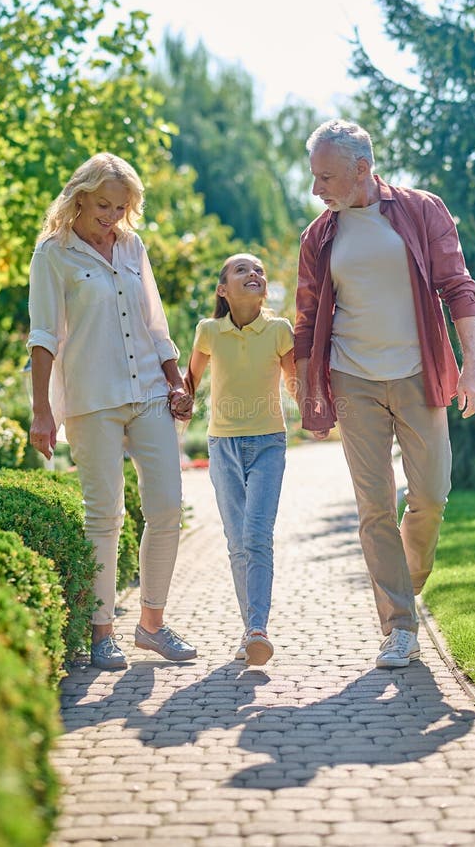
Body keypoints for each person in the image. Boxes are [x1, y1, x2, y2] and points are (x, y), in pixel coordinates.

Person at [294, 120, 475, 669]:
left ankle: (406, 579)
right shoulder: (319, 236)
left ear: (362, 169)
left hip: (418, 373)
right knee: (375, 505)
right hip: (353, 378)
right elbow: (307, 321)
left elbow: (458, 287)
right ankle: (399, 626)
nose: (316, 189)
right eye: (313, 177)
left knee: (431, 496)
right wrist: (310, 391)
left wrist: (472, 369)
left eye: (325, 177)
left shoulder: (421, 210)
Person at [27, 152, 197, 670]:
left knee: (167, 508)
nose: (111, 215)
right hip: (91, 398)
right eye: (103, 204)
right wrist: (41, 411)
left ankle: (151, 624)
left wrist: (176, 383)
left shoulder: (132, 245)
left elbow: (156, 322)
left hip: (148, 390)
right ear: (79, 196)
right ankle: (103, 633)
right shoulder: (52, 255)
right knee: (105, 517)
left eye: (121, 207)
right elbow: (43, 336)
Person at [186, 254, 297, 665]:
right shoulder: (209, 331)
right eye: (242, 270)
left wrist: (315, 405)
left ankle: (257, 629)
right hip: (223, 446)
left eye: (260, 271)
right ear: (222, 290)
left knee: (256, 536)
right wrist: (178, 403)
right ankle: (250, 629)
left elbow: (293, 380)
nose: (255, 274)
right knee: (237, 544)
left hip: (269, 443)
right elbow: (190, 383)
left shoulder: (280, 329)